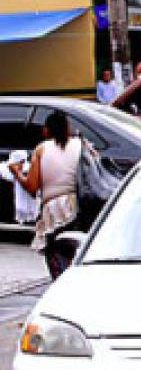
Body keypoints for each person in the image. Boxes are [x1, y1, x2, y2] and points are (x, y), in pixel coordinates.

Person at [12, 110, 82, 278]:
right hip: (80, 208)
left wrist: (16, 172)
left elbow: (31, 186)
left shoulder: (42, 149)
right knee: (78, 256)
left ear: (47, 130)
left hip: (54, 211)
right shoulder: (81, 145)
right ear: (67, 128)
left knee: (57, 259)